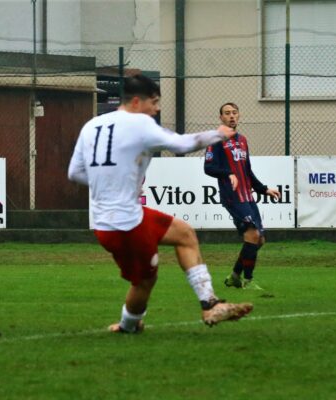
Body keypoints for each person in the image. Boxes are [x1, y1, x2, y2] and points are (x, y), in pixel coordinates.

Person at [68, 75, 253, 333]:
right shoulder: (139, 123)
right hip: (125, 224)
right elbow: (181, 143)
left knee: (184, 233)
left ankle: (210, 303)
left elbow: (74, 172)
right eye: (154, 103)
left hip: (113, 218)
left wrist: (111, 182)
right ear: (136, 101)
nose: (156, 109)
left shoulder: (92, 126)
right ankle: (128, 326)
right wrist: (218, 134)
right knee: (144, 281)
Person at [204, 103, 281, 290]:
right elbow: (208, 167)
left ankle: (234, 277)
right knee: (252, 235)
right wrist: (227, 173)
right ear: (220, 118)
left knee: (259, 239)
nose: (231, 116)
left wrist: (263, 189)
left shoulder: (243, 140)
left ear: (239, 116)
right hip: (232, 196)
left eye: (234, 113)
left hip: (247, 196)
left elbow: (247, 171)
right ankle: (248, 281)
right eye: (227, 113)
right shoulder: (216, 141)